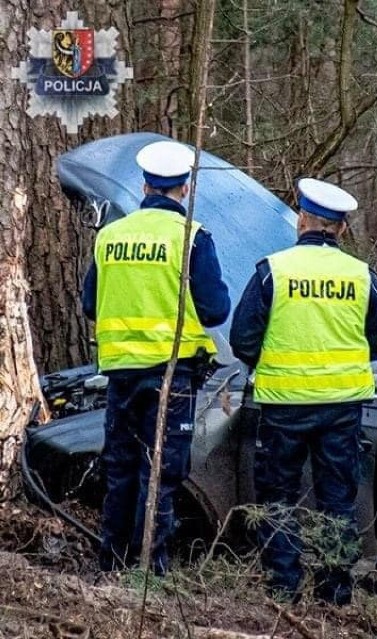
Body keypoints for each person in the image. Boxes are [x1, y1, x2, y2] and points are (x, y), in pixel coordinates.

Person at [229, 178, 377, 605]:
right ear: (339, 229)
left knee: (278, 498)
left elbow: (243, 340)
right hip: (341, 407)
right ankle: (335, 592)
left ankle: (283, 589)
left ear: (301, 219)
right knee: (337, 500)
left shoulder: (273, 271)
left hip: (284, 407)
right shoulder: (361, 276)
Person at [81, 139, 230, 575]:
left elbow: (90, 304)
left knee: (121, 469)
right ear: (184, 187)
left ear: (144, 185)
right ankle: (151, 571)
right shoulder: (192, 238)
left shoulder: (110, 236)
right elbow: (216, 309)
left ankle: (110, 565)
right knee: (161, 473)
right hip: (172, 374)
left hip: (121, 375)